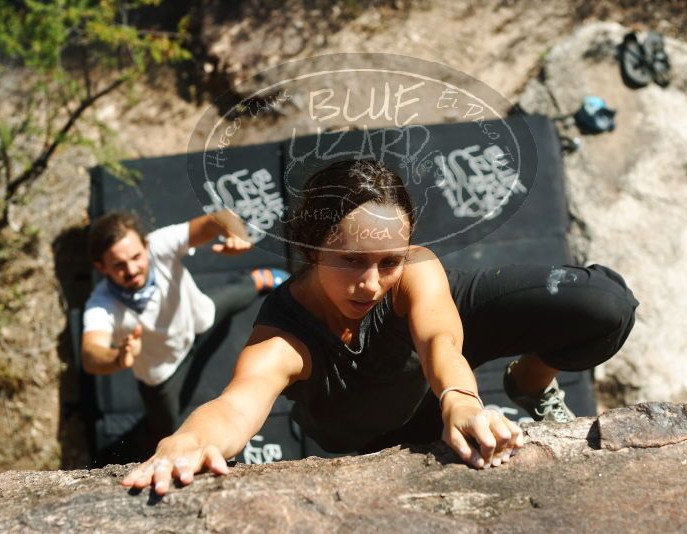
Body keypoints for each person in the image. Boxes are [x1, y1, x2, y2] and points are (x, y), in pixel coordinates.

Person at [121, 159, 639, 494]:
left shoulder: (412, 276)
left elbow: (439, 336)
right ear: (309, 249)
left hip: (433, 352)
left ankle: (527, 382)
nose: (370, 283)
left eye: (388, 260)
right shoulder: (284, 336)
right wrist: (187, 441)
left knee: (604, 304)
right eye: (351, 261)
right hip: (371, 418)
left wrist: (459, 398)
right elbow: (237, 404)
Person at [82, 209, 288, 442]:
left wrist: (236, 232)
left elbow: (217, 219)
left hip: (198, 319)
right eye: (119, 265)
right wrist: (118, 357)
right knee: (167, 430)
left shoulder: (159, 245)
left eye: (136, 257)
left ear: (146, 247)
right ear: (101, 267)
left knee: (235, 296)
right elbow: (91, 355)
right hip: (164, 372)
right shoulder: (101, 304)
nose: (131, 270)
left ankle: (259, 279)